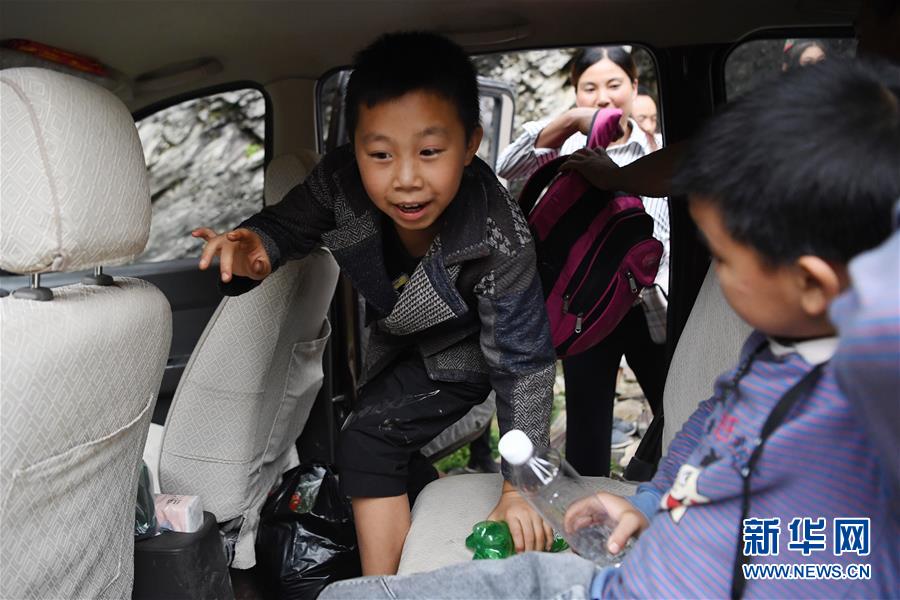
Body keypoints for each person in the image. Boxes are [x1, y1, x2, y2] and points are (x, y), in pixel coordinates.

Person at [320, 58, 900, 599]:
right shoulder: (772, 353)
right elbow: (707, 425)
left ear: (814, 285)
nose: (715, 279)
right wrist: (649, 501)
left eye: (723, 260)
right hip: (618, 576)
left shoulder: (857, 411)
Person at [192, 32, 557, 575]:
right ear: (355, 146)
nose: (406, 179)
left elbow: (523, 367)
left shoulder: (500, 236)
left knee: (367, 441)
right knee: (374, 439)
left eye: (430, 152)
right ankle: (424, 533)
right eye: (380, 154)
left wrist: (519, 486)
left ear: (471, 143)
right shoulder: (341, 181)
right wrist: (256, 250)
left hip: (470, 355)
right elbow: (286, 226)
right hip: (401, 341)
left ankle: (384, 588)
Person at [496, 46, 671, 477]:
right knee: (587, 430)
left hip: (651, 306)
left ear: (634, 86)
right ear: (576, 92)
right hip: (585, 308)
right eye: (589, 88)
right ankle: (589, 517)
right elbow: (508, 165)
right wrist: (572, 121)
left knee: (675, 409)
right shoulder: (568, 151)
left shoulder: (657, 151)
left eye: (614, 85)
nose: (603, 97)